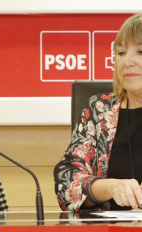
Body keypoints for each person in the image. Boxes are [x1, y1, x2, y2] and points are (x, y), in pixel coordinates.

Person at [54, 14, 142, 211]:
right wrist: (111, 187)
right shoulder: (100, 110)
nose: (127, 61)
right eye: (120, 52)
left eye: (141, 51)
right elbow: (65, 182)